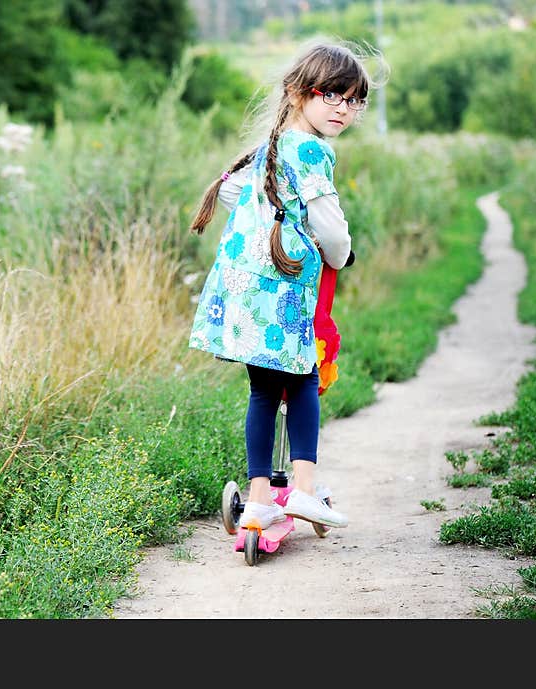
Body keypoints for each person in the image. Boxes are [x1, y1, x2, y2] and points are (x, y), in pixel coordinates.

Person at [188, 42, 374, 531]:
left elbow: (230, 190)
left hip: (242, 284)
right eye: (331, 94)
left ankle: (260, 500)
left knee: (264, 391)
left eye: (354, 100)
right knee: (305, 379)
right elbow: (331, 228)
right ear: (298, 93)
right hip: (283, 288)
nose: (343, 108)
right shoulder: (312, 149)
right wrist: (338, 253)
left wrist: (266, 219)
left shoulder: (269, 146)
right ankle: (305, 491)